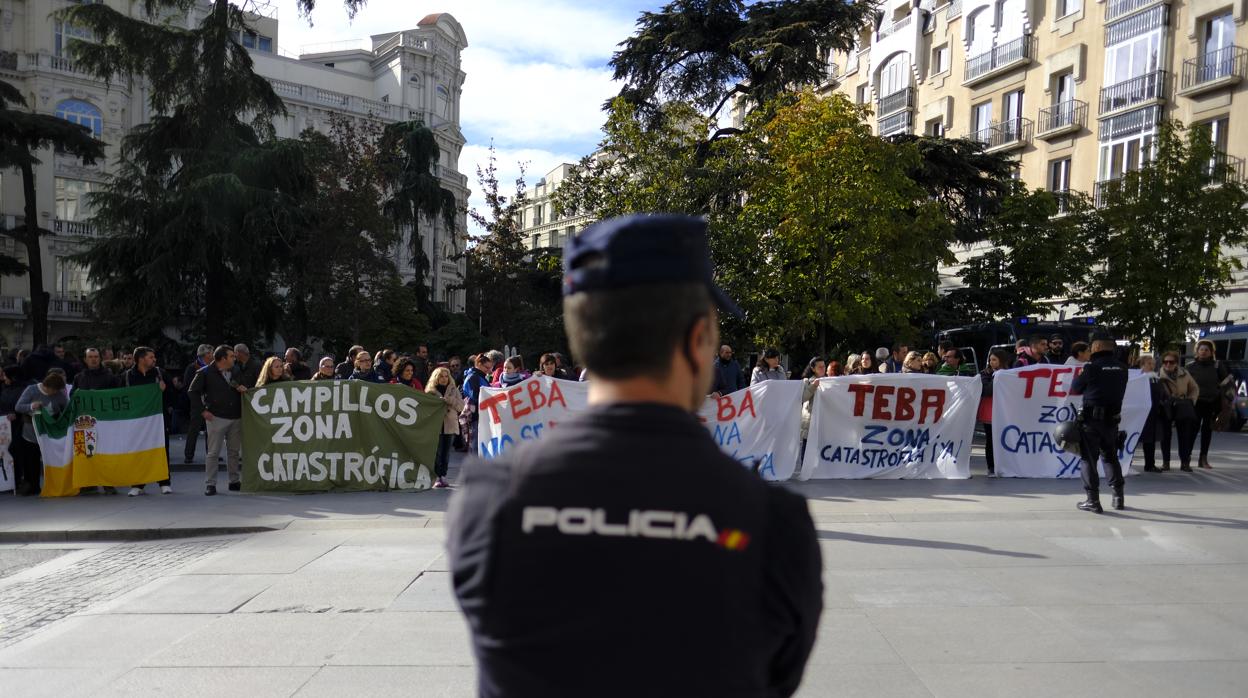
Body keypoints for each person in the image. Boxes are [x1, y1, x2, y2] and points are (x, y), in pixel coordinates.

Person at [448, 214, 822, 697]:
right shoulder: (773, 523)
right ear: (697, 340)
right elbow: (778, 677)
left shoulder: (489, 500)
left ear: (581, 336)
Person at [1069, 337, 1129, 513]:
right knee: (1110, 457)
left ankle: (1092, 500)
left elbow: (1076, 388)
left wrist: (1083, 374)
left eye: (1091, 347)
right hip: (1112, 420)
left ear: (1097, 347)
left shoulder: (1091, 368)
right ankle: (1118, 497)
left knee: (1089, 459)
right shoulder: (1122, 368)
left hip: (1091, 421)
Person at [188, 345, 246, 496]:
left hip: (235, 416)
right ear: (223, 358)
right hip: (216, 417)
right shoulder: (205, 372)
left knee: (234, 452)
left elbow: (239, 385)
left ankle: (234, 481)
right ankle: (210, 484)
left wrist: (241, 388)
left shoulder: (236, 370)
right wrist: (202, 411)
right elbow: (192, 392)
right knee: (213, 453)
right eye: (231, 356)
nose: (234, 358)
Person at [122, 347, 173, 496]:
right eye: (151, 357)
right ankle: (138, 484)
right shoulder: (127, 376)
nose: (154, 359)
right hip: (136, 422)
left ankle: (164, 482)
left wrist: (164, 390)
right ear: (141, 359)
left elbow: (174, 395)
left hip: (158, 420)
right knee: (137, 452)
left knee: (162, 450)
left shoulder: (160, 374)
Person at [15, 370, 71, 496]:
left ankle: (57, 483)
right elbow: (18, 407)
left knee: (53, 458)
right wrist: (31, 406)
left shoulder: (59, 394)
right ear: (47, 386)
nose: (55, 393)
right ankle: (32, 485)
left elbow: (67, 409)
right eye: (54, 390)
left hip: (50, 433)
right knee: (31, 460)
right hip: (31, 432)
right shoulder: (32, 390)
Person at [1186, 339, 1229, 469]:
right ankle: (1186, 457)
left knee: (1207, 431)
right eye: (1201, 349)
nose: (1203, 352)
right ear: (1197, 351)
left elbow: (1226, 383)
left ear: (1211, 352)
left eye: (1206, 350)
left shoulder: (1217, 366)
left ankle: (1203, 458)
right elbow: (1185, 385)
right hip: (1195, 403)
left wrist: (1227, 400)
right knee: (1192, 431)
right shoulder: (1190, 366)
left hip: (1212, 403)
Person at [1158, 350, 1200, 471]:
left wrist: (1191, 401)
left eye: (1171, 362)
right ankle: (1166, 462)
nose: (1168, 364)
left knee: (1184, 435)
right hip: (1166, 406)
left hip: (1182, 406)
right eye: (1165, 362)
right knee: (1165, 436)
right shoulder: (1158, 374)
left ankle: (1185, 462)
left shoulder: (1184, 373)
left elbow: (1194, 388)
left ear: (1176, 363)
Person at [426, 366, 464, 489]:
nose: (444, 378)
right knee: (437, 452)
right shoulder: (430, 391)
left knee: (446, 453)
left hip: (450, 425)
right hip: (436, 425)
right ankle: (436, 476)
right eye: (441, 376)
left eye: (446, 376)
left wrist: (449, 400)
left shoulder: (454, 390)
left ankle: (443, 476)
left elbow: (461, 406)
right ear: (436, 378)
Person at [1, 365, 36, 495]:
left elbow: (26, 406)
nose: (4, 378)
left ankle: (26, 482)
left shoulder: (26, 388)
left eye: (6, 376)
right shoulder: (5, 388)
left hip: (23, 426)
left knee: (20, 452)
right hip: (7, 426)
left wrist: (16, 414)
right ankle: (13, 481)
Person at [979, 349, 1009, 477]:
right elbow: (986, 391)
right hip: (989, 411)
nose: (991, 362)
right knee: (991, 439)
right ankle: (991, 467)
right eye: (990, 360)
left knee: (1004, 438)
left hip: (1005, 411)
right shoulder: (985, 374)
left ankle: (1005, 465)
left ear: (1002, 361)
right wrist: (997, 377)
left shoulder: (1010, 373)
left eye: (994, 360)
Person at [182, 344, 214, 465]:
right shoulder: (192, 367)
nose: (213, 355)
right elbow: (188, 386)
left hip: (210, 401)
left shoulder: (212, 367)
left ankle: (211, 453)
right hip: (197, 401)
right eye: (211, 353)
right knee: (194, 429)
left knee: (211, 430)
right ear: (205, 355)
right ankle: (188, 455)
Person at [1136, 355, 1167, 473]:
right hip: (1140, 412)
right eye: (1149, 363)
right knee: (1134, 438)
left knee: (1150, 439)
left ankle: (1150, 464)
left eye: (1153, 364)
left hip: (1153, 413)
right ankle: (1127, 463)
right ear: (1142, 365)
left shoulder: (1156, 379)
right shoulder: (1138, 378)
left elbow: (1162, 394)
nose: (1152, 366)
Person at [460, 353, 494, 454]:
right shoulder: (474, 377)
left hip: (479, 414)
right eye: (486, 367)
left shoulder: (478, 376)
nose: (489, 370)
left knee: (477, 444)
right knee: (475, 445)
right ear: (479, 364)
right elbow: (475, 396)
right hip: (475, 416)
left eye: (490, 368)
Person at [799, 357, 826, 458]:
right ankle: (804, 467)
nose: (823, 369)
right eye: (820, 367)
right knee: (807, 449)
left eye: (824, 366)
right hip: (810, 421)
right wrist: (813, 386)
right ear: (813, 368)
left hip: (823, 420)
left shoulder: (828, 380)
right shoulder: (807, 381)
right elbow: (803, 397)